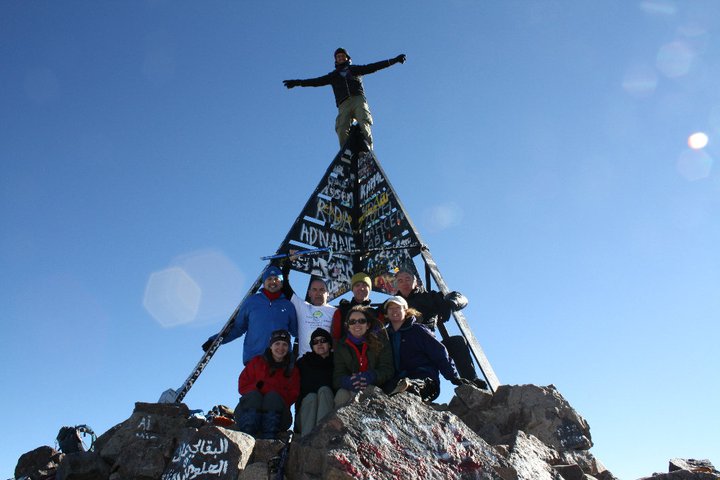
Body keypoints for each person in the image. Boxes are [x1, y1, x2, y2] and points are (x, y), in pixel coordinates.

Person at [283, 48, 406, 149]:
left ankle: (368, 148)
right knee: (341, 127)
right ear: (336, 60)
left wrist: (394, 60)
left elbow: (373, 67)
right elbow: (316, 81)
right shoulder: (333, 76)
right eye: (338, 57)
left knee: (364, 120)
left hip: (358, 99)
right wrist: (298, 82)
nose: (340, 58)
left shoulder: (354, 70)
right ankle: (346, 152)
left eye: (342, 56)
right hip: (343, 104)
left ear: (347, 58)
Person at [202, 265, 298, 365]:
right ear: (264, 282)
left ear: (281, 283)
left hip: (280, 360)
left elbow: (297, 331)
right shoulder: (252, 301)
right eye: (269, 279)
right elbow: (238, 328)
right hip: (255, 358)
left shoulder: (288, 305)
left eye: (276, 279)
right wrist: (215, 340)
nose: (273, 282)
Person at [383, 296, 466, 402]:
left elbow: (439, 352)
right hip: (397, 378)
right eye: (391, 308)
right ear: (386, 313)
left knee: (418, 382)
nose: (394, 311)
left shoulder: (418, 330)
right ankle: (402, 387)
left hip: (425, 378)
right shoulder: (386, 336)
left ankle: (411, 386)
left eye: (398, 307)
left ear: (406, 310)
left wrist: (453, 376)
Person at [234, 330, 300, 439]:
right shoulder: (257, 362)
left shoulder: (292, 369)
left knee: (272, 397)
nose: (280, 348)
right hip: (249, 411)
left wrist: (267, 389)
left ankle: (269, 438)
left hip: (279, 417)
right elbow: (242, 385)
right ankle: (247, 435)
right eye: (277, 344)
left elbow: (293, 394)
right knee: (254, 396)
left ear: (288, 347)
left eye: (284, 344)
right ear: (271, 346)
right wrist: (259, 389)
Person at [333, 306, 394, 406]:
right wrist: (347, 381)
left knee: (365, 394)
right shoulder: (341, 346)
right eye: (352, 322)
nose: (357, 324)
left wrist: (372, 376)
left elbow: (387, 368)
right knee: (341, 394)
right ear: (347, 326)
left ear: (368, 325)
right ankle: (336, 421)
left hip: (376, 387)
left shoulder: (380, 341)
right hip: (351, 388)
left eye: (361, 321)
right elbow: (337, 376)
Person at [280, 256, 336, 358]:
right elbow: (284, 286)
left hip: (328, 363)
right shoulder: (302, 307)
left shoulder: (335, 311)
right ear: (309, 293)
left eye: (322, 290)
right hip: (304, 364)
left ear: (328, 293)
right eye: (314, 290)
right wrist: (289, 262)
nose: (318, 293)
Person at [393, 269, 467, 332]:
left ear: (415, 282)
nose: (404, 283)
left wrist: (452, 302)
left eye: (407, 279)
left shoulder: (430, 297)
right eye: (400, 281)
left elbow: (461, 298)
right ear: (396, 285)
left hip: (424, 338)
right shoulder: (391, 304)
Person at [295, 328, 334, 437]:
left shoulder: (337, 362)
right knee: (311, 396)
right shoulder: (302, 363)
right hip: (305, 416)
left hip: (330, 411)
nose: (319, 344)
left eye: (323, 340)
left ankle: (322, 437)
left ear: (330, 344)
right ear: (312, 346)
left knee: (325, 390)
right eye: (315, 342)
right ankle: (307, 442)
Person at [330, 272, 383, 342]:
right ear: (352, 289)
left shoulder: (377, 314)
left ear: (370, 289)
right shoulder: (341, 311)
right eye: (357, 285)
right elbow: (335, 338)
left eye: (365, 285)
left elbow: (380, 338)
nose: (361, 288)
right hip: (346, 351)